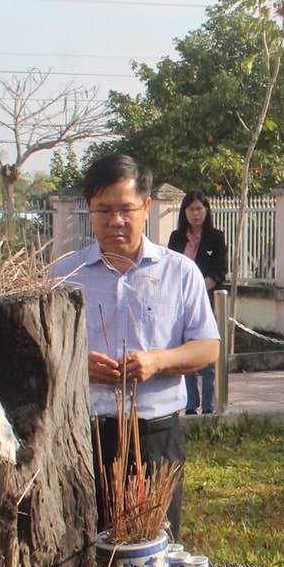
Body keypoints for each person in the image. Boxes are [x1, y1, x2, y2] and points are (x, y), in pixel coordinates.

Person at [51, 153, 219, 539]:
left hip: (155, 437)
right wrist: (77, 365)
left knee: (152, 548)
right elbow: (43, 355)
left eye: (126, 209)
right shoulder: (64, 276)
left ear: (146, 207)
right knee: (86, 548)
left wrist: (158, 361)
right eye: (103, 210)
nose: (115, 221)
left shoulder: (179, 271)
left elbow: (207, 347)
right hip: (85, 436)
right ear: (89, 211)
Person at [166, 189, 228, 414]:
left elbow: (220, 270)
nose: (195, 213)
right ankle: (191, 404)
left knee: (208, 354)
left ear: (206, 211)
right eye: (191, 209)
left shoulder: (216, 237)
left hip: (207, 300)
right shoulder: (176, 238)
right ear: (184, 212)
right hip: (180, 303)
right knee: (185, 351)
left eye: (199, 209)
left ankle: (209, 405)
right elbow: (170, 268)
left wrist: (199, 289)